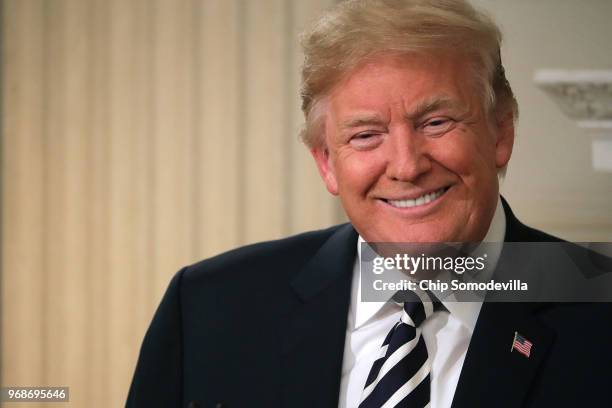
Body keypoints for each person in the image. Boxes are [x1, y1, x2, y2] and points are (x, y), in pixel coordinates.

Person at [127, 0, 612, 407]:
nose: (405, 165)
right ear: (326, 163)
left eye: (436, 122)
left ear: (500, 131)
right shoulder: (209, 307)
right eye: (365, 134)